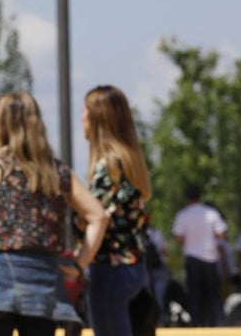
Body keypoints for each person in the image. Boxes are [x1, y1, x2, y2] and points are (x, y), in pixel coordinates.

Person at [0, 92, 108, 336]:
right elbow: (99, 216)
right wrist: (79, 263)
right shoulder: (58, 172)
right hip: (46, 281)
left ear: (2, 126)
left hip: (2, 276)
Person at [81, 85, 154, 336]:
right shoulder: (130, 161)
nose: (82, 119)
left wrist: (80, 260)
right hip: (135, 268)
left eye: (86, 113)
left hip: (110, 271)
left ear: (98, 120)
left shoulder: (108, 167)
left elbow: (96, 218)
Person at [172, 184, 227, 326]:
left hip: (193, 259)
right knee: (212, 294)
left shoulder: (183, 215)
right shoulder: (211, 213)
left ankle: (197, 324)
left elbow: (178, 238)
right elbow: (221, 234)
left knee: (195, 294)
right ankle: (214, 323)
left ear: (187, 198)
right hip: (210, 257)